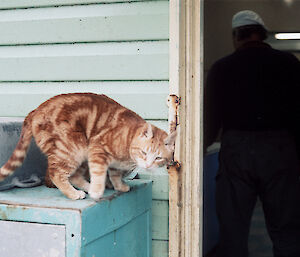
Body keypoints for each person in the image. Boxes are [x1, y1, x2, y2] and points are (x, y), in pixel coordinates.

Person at [204, 10, 300, 257]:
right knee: (286, 231)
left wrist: (198, 150)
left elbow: (212, 120)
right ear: (262, 34)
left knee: (233, 231)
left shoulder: (222, 68)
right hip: (280, 149)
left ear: (237, 36)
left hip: (237, 151)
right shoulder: (289, 64)